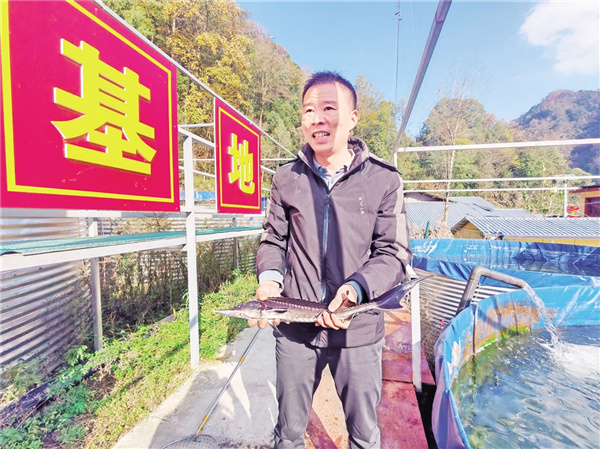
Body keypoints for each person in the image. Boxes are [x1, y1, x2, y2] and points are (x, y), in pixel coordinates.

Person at [249, 71, 412, 449]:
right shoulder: (286, 177)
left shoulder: (384, 179)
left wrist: (355, 289)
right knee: (288, 432)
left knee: (364, 433)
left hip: (357, 330)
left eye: (328, 108)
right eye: (309, 110)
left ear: (352, 118)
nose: (317, 119)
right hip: (295, 327)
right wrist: (270, 279)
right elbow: (273, 238)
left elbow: (393, 252)